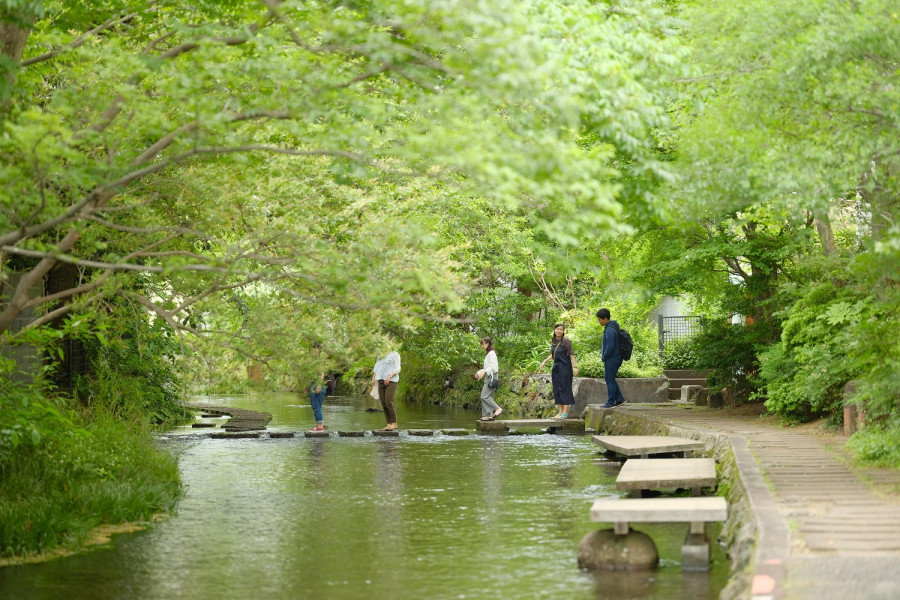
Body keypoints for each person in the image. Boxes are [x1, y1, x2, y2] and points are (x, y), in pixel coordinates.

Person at [538, 323, 579, 419]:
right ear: (554, 330)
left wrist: (575, 366)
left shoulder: (566, 341)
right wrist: (544, 361)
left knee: (565, 388)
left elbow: (571, 354)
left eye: (561, 329)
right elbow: (553, 354)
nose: (559, 331)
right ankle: (560, 412)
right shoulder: (554, 341)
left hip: (565, 367)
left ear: (563, 331)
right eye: (557, 329)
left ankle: (565, 413)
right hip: (556, 368)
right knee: (557, 389)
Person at [596, 308, 626, 408]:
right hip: (615, 358)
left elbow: (610, 346)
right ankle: (619, 399)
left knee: (609, 380)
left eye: (599, 319)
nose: (599, 321)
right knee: (611, 379)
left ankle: (610, 402)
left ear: (605, 318)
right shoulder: (613, 327)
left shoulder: (609, 329)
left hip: (612, 359)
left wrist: (604, 356)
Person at [474, 337, 503, 421]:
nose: (482, 346)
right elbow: (487, 367)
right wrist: (479, 373)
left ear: (488, 344)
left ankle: (498, 409)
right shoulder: (488, 354)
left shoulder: (491, 354)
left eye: (483, 344)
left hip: (491, 377)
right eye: (481, 344)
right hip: (489, 376)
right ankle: (488, 415)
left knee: (484, 396)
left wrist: (484, 372)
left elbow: (494, 367)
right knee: (489, 396)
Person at [372, 348, 401, 431]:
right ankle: (389, 424)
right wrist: (373, 378)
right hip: (380, 380)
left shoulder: (395, 355)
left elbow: (398, 368)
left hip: (391, 381)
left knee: (388, 401)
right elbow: (377, 366)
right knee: (383, 403)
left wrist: (389, 376)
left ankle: (394, 423)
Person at [306, 344, 326, 432]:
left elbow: (321, 373)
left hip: (318, 385)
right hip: (312, 385)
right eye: (313, 348)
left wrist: (318, 385)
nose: (315, 350)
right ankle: (318, 425)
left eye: (316, 349)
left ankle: (320, 426)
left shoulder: (319, 361)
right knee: (315, 406)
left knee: (317, 406)